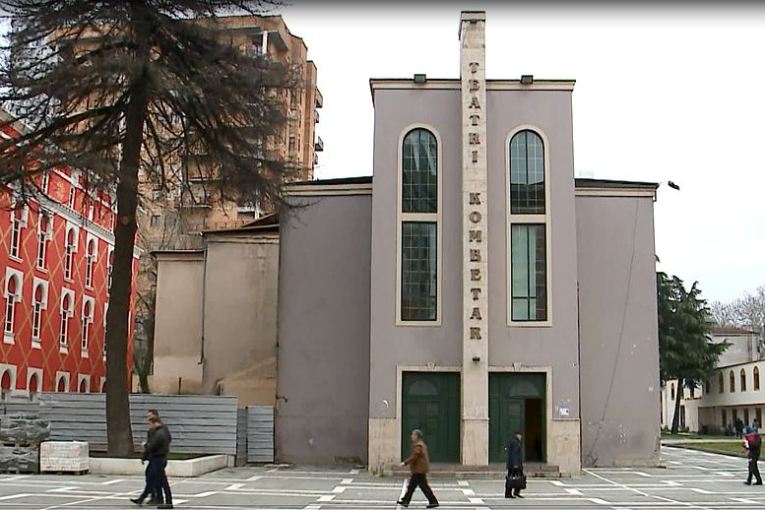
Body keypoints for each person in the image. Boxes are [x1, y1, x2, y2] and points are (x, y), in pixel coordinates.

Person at [131, 416, 173, 509]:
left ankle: (167, 502)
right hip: (160, 458)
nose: (149, 426)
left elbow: (152, 446)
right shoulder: (164, 431)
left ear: (155, 423)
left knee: (161, 481)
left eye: (150, 424)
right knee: (155, 480)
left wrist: (145, 445)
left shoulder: (159, 434)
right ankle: (151, 499)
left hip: (158, 459)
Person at [397, 429, 439, 508]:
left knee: (423, 487)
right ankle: (406, 501)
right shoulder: (420, 444)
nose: (412, 436)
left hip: (419, 469)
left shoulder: (418, 445)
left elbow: (415, 456)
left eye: (413, 435)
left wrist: (405, 462)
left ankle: (433, 501)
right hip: (419, 469)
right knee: (412, 486)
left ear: (417, 436)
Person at [505, 431, 525, 499]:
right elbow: (514, 454)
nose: (521, 437)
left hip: (515, 464)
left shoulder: (515, 442)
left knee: (518, 478)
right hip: (514, 465)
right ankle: (508, 493)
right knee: (511, 479)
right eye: (520, 435)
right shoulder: (515, 443)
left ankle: (515, 492)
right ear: (517, 435)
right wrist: (515, 464)